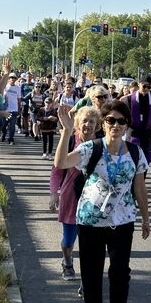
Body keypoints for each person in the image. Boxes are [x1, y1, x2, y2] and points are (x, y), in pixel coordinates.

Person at [54, 100, 150, 303]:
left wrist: (146, 217)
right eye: (110, 120)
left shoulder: (135, 153)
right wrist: (65, 132)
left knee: (120, 273)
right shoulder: (91, 148)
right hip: (91, 221)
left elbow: (139, 186)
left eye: (121, 121)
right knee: (91, 271)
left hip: (123, 220)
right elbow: (61, 163)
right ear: (103, 123)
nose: (115, 125)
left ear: (127, 125)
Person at [49, 106, 100, 280]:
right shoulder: (70, 141)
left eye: (92, 121)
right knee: (69, 240)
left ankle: (87, 279)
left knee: (91, 242)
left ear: (98, 125)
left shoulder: (102, 144)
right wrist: (54, 193)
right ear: (77, 123)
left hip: (94, 198)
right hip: (71, 195)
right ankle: (67, 258)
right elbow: (57, 170)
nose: (88, 125)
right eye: (84, 121)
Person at [122, 79, 151, 165]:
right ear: (139, 85)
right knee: (131, 161)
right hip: (132, 134)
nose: (146, 89)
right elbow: (123, 118)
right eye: (144, 86)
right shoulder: (128, 99)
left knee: (144, 163)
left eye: (148, 87)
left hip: (146, 134)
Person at [3, 72, 21, 145]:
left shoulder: (17, 88)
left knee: (12, 126)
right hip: (5, 109)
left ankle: (11, 139)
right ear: (9, 79)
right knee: (4, 125)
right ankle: (4, 134)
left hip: (14, 109)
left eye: (14, 78)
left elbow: (19, 99)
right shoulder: (5, 87)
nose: (13, 79)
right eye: (11, 78)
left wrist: (19, 109)